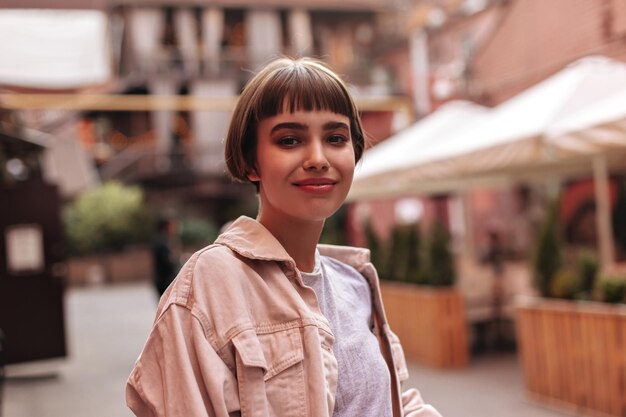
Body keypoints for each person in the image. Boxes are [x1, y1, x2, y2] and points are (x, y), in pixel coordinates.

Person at [126, 57, 442, 417]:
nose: (318, 158)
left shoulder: (354, 282)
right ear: (249, 162)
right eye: (290, 140)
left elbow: (389, 404)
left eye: (336, 138)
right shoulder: (212, 283)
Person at [151, 216, 180, 297]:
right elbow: (167, 262)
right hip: (165, 281)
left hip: (162, 280)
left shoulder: (163, 240)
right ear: (167, 226)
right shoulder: (163, 242)